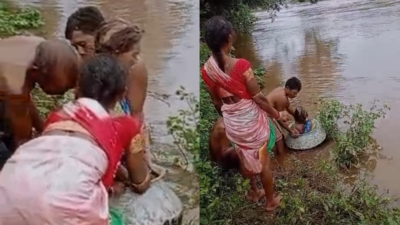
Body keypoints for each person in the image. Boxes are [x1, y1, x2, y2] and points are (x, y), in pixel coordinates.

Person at [0, 54, 151, 224]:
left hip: (7, 196)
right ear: (122, 93)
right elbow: (140, 182)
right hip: (64, 212)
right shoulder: (127, 126)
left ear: (77, 89)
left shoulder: (58, 117)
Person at [202, 16, 283, 211]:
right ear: (229, 37)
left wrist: (231, 118)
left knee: (243, 154)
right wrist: (277, 115)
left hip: (233, 124)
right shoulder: (242, 66)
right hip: (251, 123)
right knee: (263, 162)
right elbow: (259, 98)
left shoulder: (206, 70)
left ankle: (254, 191)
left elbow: (216, 101)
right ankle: (270, 201)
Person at [0, 36, 80, 166]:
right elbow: (22, 141)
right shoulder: (15, 86)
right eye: (63, 89)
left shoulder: (39, 47)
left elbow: (25, 101)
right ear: (37, 72)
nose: (64, 93)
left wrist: (43, 129)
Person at [95, 19, 151, 162]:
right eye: (134, 54)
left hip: (127, 127)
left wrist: (141, 154)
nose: (136, 59)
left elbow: (136, 115)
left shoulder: (136, 68)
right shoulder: (92, 72)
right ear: (116, 53)